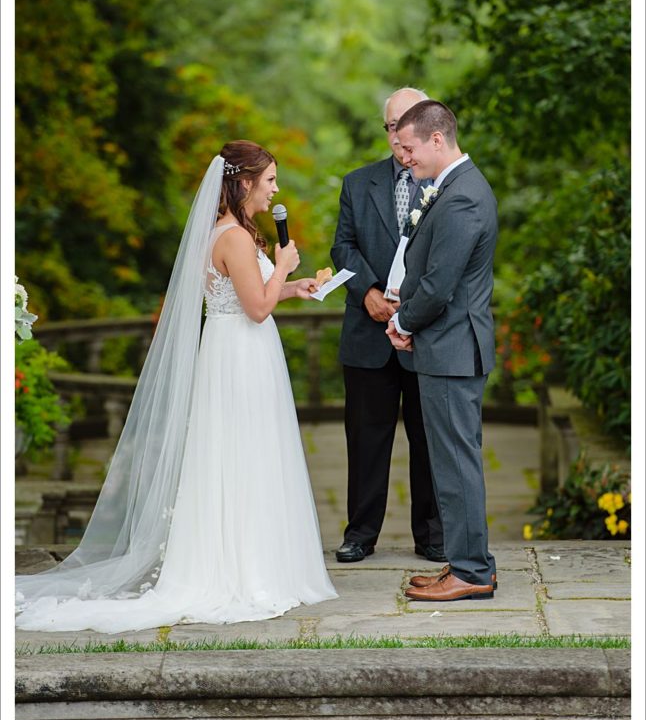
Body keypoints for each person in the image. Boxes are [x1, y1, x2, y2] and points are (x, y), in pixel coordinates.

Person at [16, 141, 337, 632]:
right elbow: (255, 307)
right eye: (269, 179)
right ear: (245, 182)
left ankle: (255, 559)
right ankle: (242, 571)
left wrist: (294, 286)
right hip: (240, 354)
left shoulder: (232, 232)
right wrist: (286, 267)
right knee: (241, 454)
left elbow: (254, 293)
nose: (275, 189)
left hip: (239, 350)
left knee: (245, 453)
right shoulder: (231, 236)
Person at [386, 99, 497, 602]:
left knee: (455, 462)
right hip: (447, 347)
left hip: (452, 349)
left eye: (408, 147)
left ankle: (471, 571)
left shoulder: (462, 197)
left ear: (436, 139)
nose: (403, 157)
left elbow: (438, 285)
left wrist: (403, 320)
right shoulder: (452, 188)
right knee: (453, 461)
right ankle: (467, 562)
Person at [330, 88, 444, 565]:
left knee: (428, 438)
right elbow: (343, 248)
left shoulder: (446, 184)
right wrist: (370, 293)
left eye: (406, 125)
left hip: (427, 335)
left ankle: (433, 535)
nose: (398, 136)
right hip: (368, 334)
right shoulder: (359, 183)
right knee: (366, 438)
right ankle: (360, 533)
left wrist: (414, 310)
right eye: (391, 127)